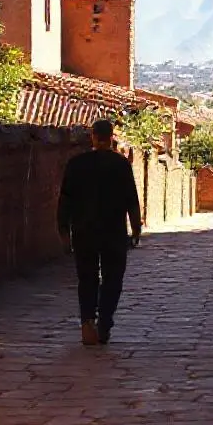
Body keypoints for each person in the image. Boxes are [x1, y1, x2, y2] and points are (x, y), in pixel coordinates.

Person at [57, 119, 143, 345]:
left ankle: (87, 322)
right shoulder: (121, 164)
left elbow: (64, 200)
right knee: (113, 278)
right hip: (113, 232)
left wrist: (64, 231)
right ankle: (104, 323)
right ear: (112, 136)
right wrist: (136, 229)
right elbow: (131, 200)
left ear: (93, 136)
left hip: (84, 231)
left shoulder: (76, 164)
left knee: (87, 278)